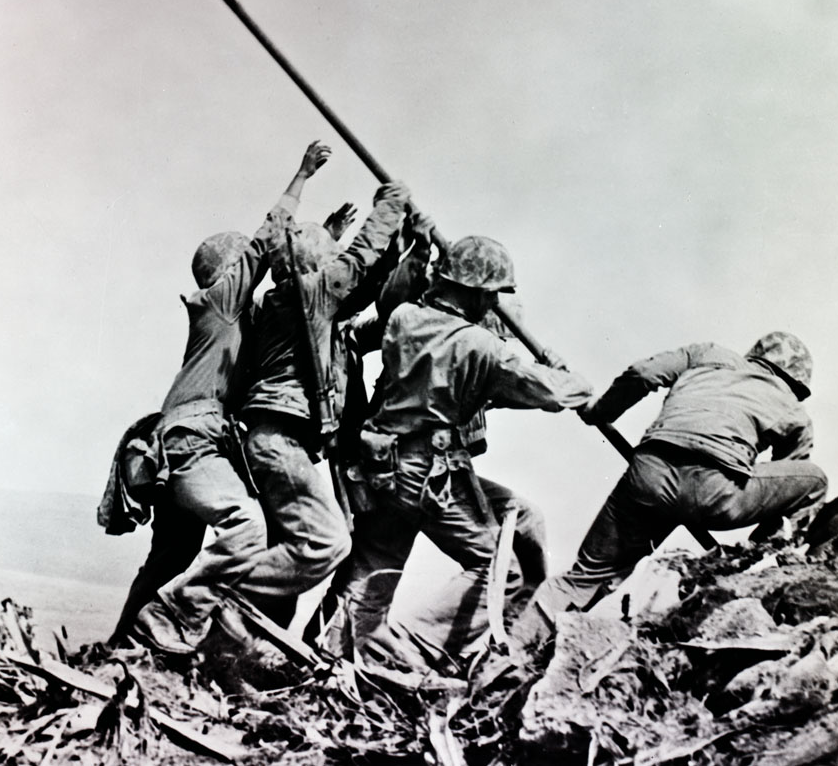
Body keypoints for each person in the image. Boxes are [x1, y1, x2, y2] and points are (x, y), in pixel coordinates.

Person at [337, 235, 594, 670]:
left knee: (373, 568)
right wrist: (567, 375)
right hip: (429, 473)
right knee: (501, 571)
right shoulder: (481, 346)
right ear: (474, 291)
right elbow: (551, 393)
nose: (493, 302)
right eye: (491, 293)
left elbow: (473, 381)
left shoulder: (404, 318)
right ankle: (404, 654)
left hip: (383, 465)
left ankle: (333, 654)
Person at [124, 141, 332, 655]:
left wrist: (330, 234)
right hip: (192, 441)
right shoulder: (218, 303)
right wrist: (301, 175)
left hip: (186, 442)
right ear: (227, 272)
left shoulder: (235, 320)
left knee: (170, 557)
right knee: (246, 526)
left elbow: (297, 287)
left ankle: (123, 646)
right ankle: (176, 624)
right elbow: (267, 243)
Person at [509, 331, 829, 657]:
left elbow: (642, 374)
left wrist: (601, 413)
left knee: (584, 577)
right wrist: (759, 545)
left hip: (648, 476)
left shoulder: (708, 353)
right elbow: (786, 483)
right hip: (715, 494)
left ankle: (513, 652)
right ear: (796, 382)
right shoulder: (794, 411)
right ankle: (763, 556)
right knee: (814, 480)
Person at [217, 179, 413, 638]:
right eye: (328, 255)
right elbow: (356, 264)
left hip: (281, 441)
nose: (335, 261)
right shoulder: (308, 297)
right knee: (324, 543)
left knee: (300, 544)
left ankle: (250, 637)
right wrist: (389, 206)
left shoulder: (297, 306)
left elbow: (365, 291)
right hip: (277, 440)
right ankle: (215, 598)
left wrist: (402, 248)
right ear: (313, 267)